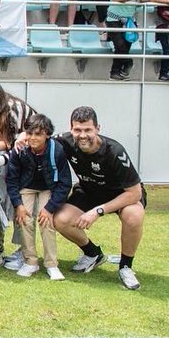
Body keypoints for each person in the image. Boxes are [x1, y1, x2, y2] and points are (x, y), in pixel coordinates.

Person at [51, 106, 146, 290]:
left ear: (98, 129)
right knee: (60, 219)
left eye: (88, 130)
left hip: (122, 194)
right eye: (77, 130)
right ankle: (93, 254)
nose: (82, 135)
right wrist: (23, 138)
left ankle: (125, 266)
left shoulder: (114, 151)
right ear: (71, 129)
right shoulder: (65, 140)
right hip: (89, 191)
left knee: (134, 216)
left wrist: (98, 211)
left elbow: (135, 193)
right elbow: (42, 136)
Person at [4, 114, 71, 280]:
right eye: (30, 133)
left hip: (49, 187)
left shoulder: (57, 150)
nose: (33, 138)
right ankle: (30, 262)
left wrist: (50, 208)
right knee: (24, 219)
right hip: (26, 187)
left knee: (46, 221)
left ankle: (51, 264)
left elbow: (65, 183)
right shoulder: (19, 150)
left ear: (47, 134)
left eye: (38, 134)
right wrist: (18, 205)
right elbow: (11, 179)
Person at [106, 0, 147, 81]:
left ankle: (115, 73)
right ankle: (128, 63)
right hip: (114, 18)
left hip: (130, 18)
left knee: (125, 46)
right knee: (120, 44)